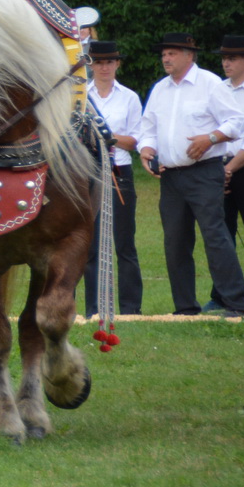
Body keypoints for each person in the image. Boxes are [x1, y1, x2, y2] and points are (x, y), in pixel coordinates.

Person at [138, 33, 244, 318]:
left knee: (215, 236)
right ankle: (185, 307)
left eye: (172, 53)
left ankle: (235, 303)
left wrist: (210, 138)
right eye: (164, 53)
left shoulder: (210, 84)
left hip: (204, 172)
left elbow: (237, 122)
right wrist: (147, 149)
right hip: (171, 177)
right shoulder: (160, 89)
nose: (166, 58)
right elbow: (147, 127)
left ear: (190, 55)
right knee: (175, 241)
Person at [208, 36, 244, 313]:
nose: (226, 63)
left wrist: (229, 170)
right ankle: (222, 294)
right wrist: (220, 169)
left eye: (232, 58)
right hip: (218, 165)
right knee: (222, 233)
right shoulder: (217, 90)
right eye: (223, 58)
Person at [83, 41, 143, 316]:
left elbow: (135, 141)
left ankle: (130, 308)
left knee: (124, 242)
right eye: (98, 62)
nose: (104, 67)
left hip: (120, 172)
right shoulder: (82, 95)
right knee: (90, 244)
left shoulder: (129, 97)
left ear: (117, 64)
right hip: (87, 172)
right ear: (90, 64)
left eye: (109, 62)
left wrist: (109, 138)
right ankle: (94, 308)